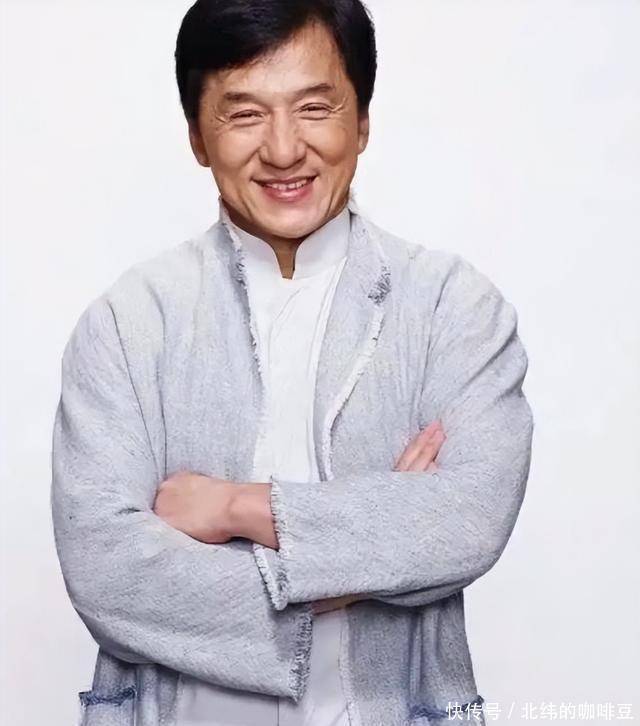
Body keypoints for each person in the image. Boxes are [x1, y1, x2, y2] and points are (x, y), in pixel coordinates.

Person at [50, 1, 534, 725]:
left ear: (361, 121)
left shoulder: (451, 307)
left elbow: (468, 518)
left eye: (315, 107)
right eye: (244, 114)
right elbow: (106, 571)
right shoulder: (128, 322)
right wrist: (369, 552)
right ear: (197, 136)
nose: (282, 150)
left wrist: (235, 508)